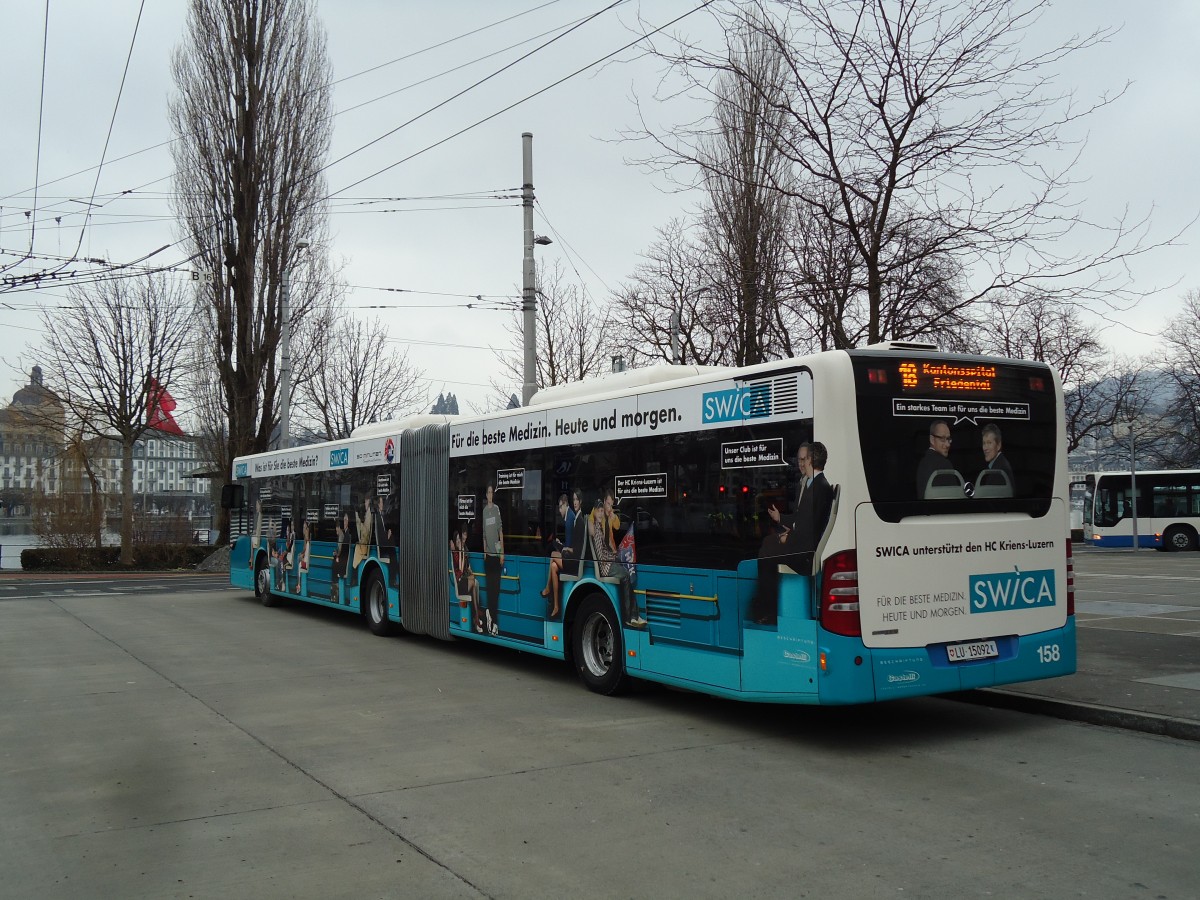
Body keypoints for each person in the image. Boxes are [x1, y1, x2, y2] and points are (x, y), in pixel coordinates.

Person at [591, 489, 644, 627]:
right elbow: (601, 551)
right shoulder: (597, 524)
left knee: (627, 571)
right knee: (626, 575)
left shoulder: (608, 517)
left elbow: (618, 525)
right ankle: (630, 615)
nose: (608, 508)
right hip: (606, 563)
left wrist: (612, 515)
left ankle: (634, 614)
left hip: (610, 557)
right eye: (607, 505)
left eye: (611, 505)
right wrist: (613, 555)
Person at [541, 493, 572, 618]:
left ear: (565, 505)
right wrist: (562, 544)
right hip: (570, 558)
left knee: (553, 553)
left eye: (560, 507)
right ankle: (556, 606)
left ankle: (548, 587)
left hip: (572, 561)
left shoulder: (570, 520)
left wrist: (562, 547)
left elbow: (572, 548)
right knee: (554, 566)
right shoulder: (570, 518)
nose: (559, 510)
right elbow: (569, 544)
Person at [481, 485, 504, 636]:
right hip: (488, 556)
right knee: (490, 590)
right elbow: (483, 533)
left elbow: (500, 531)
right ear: (486, 494)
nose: (490, 495)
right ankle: (492, 621)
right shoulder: (484, 511)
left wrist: (502, 553)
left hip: (496, 555)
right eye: (488, 492)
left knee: (495, 591)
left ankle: (493, 620)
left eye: (491, 492)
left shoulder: (496, 509)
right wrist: (484, 552)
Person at [452, 527, 482, 632]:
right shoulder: (456, 553)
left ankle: (476, 618)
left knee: (473, 582)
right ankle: (477, 616)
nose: (458, 542)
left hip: (464, 581)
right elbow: (460, 570)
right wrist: (461, 553)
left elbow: (467, 568)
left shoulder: (462, 551)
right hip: (460, 583)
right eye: (457, 540)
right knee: (473, 580)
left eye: (459, 540)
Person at [916, 420, 957, 498]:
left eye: (948, 439)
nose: (947, 444)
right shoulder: (944, 464)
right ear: (932, 439)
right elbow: (955, 497)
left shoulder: (922, 462)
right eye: (942, 439)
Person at [978, 423, 1015, 490]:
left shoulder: (1000, 470)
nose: (985, 448)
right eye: (984, 443)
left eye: (989, 443)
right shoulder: (998, 465)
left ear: (998, 445)